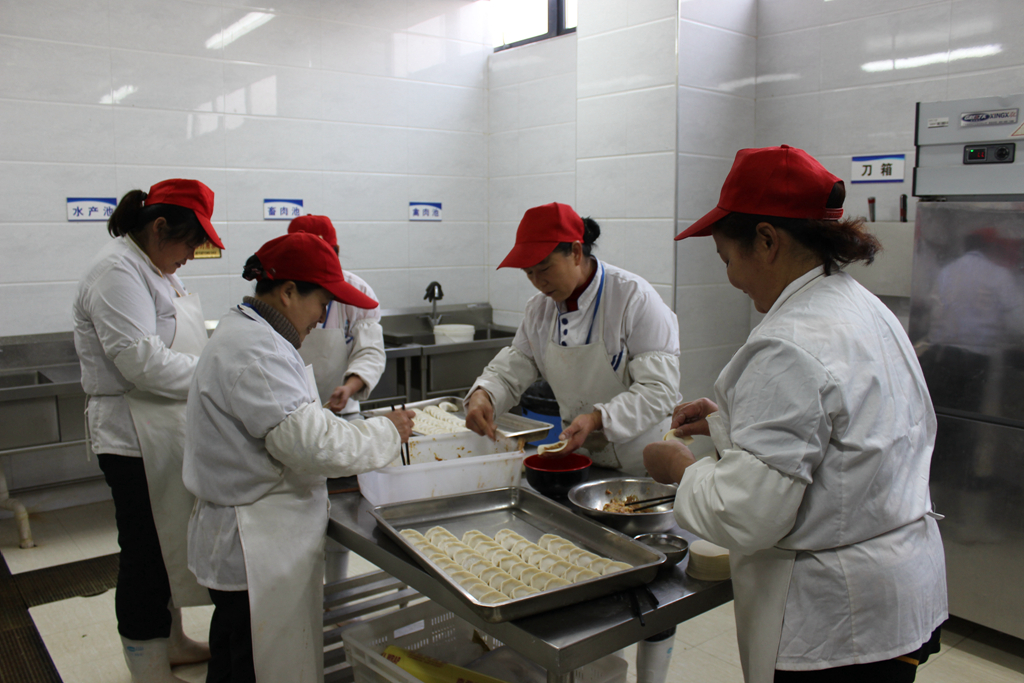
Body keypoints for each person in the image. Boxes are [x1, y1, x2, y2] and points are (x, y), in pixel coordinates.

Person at [643, 145, 947, 683]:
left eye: (726, 259)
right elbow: (846, 441)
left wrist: (679, 469)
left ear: (766, 240)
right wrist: (728, 424)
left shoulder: (789, 342)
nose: (731, 278)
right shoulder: (862, 306)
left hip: (836, 619)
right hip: (900, 587)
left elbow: (747, 514)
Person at [183, 232, 414, 683]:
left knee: (234, 654)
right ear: (288, 292)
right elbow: (309, 444)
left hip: (252, 534)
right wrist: (387, 432)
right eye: (321, 304)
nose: (323, 318)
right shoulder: (258, 350)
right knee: (252, 664)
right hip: (254, 543)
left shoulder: (251, 333)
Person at [73, 179, 222, 682]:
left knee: (169, 542)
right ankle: (147, 666)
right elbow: (140, 361)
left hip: (161, 426)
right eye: (189, 244)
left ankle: (173, 642)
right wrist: (215, 375)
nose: (190, 257)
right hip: (130, 435)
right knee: (144, 554)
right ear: (159, 227)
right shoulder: (116, 272)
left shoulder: (155, 269)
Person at [465, 202, 681, 475]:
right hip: (582, 459)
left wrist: (598, 419)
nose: (538, 282)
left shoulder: (633, 298)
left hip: (645, 462)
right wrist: (485, 395)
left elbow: (659, 391)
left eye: (544, 268)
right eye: (529, 273)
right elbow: (512, 369)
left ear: (576, 252)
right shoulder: (539, 310)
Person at [286, 214, 386, 414]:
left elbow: (370, 351)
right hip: (292, 410)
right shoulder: (283, 296)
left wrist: (349, 387)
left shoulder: (358, 291)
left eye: (323, 254)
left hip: (342, 411)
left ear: (336, 252)